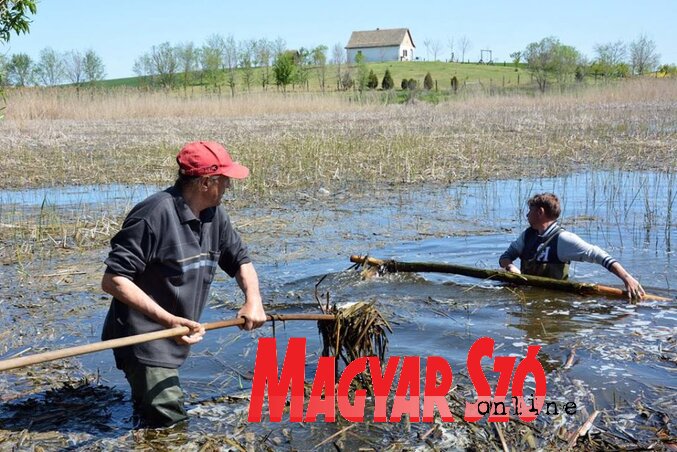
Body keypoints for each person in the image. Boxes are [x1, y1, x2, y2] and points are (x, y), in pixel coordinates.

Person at [101, 141, 267, 427]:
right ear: (206, 182)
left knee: (150, 415)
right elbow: (113, 280)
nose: (228, 186)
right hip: (144, 338)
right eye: (225, 180)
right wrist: (168, 321)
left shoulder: (215, 216)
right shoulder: (153, 215)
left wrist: (254, 301)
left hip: (175, 331)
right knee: (171, 420)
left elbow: (241, 261)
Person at [499, 192, 645, 300]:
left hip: (555, 302)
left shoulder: (563, 239)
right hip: (528, 297)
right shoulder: (527, 235)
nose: (527, 215)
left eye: (530, 211)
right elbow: (505, 257)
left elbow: (598, 255)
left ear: (540, 212)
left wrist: (627, 278)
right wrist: (511, 268)